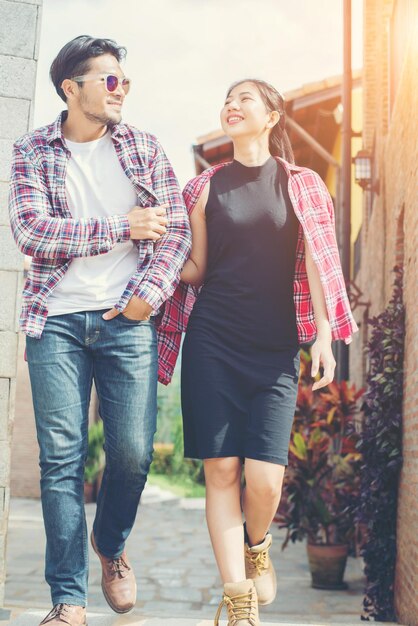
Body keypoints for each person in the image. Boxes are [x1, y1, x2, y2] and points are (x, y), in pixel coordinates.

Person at [8, 35, 191, 626]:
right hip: (53, 321)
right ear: (71, 88)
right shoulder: (31, 151)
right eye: (110, 80)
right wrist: (121, 226)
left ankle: (110, 545)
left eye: (125, 80)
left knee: (133, 454)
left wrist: (146, 297)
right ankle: (68, 599)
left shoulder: (142, 147)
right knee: (60, 461)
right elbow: (34, 233)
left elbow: (176, 233)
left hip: (125, 321)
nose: (121, 90)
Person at [178, 79, 358, 626]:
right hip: (211, 341)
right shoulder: (205, 189)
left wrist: (323, 333)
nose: (231, 105)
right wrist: (146, 259)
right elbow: (197, 269)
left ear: (273, 116)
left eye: (245, 98)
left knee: (265, 479)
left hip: (277, 347)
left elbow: (318, 264)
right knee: (222, 470)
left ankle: (256, 545)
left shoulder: (302, 185)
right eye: (226, 98)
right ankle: (238, 602)